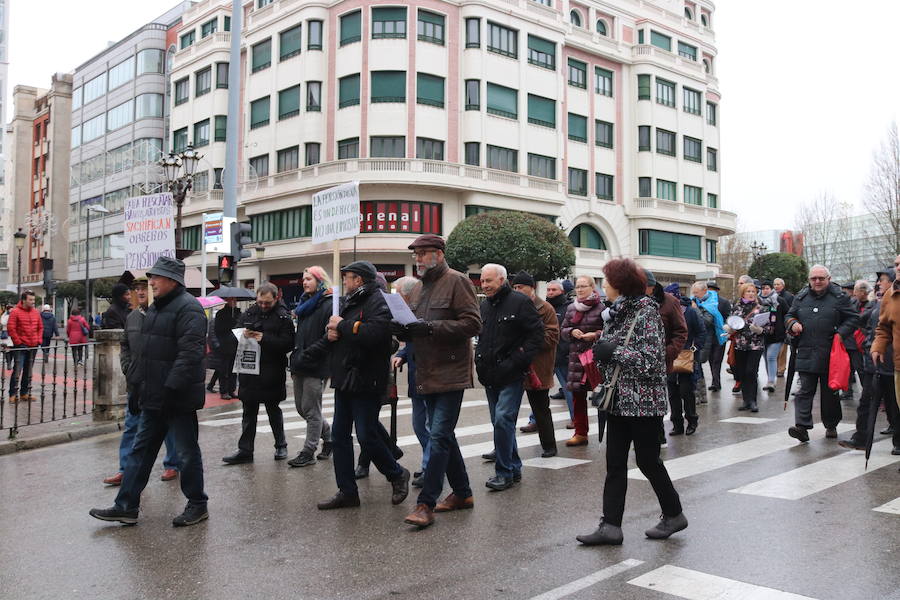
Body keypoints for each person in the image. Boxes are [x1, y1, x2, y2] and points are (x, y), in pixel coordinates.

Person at [89, 256, 209, 527]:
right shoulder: (155, 310)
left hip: (177, 399)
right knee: (140, 452)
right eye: (151, 277)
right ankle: (126, 506)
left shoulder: (189, 309)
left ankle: (198, 504)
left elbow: (189, 356)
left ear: (173, 280)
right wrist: (137, 390)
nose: (151, 282)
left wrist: (168, 389)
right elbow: (145, 355)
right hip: (153, 398)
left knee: (187, 453)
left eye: (156, 277)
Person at [577, 258, 686, 546]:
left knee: (648, 462)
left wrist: (612, 351)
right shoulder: (618, 312)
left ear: (620, 285)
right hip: (617, 400)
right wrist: (602, 347)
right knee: (614, 464)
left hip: (643, 403)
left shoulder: (646, 312)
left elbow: (651, 362)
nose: (604, 288)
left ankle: (674, 514)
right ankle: (610, 526)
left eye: (607, 283)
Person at [304, 261, 410, 510]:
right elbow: (341, 334)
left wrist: (342, 325)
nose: (345, 282)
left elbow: (375, 335)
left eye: (348, 278)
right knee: (340, 437)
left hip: (367, 378)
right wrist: (331, 336)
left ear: (359, 280)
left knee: (366, 434)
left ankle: (396, 474)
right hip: (345, 378)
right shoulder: (348, 301)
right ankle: (347, 491)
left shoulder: (379, 301)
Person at [395, 235, 481, 528]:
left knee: (438, 435)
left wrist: (429, 328)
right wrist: (405, 331)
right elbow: (417, 328)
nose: (418, 259)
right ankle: (463, 493)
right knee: (444, 435)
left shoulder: (458, 281)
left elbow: (472, 323)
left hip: (451, 372)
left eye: (424, 253)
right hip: (425, 370)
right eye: (416, 254)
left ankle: (425, 503)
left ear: (440, 254)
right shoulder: (418, 287)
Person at [102, 275, 181, 486]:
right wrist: (129, 368)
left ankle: (172, 464)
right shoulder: (133, 317)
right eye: (136, 289)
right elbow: (125, 345)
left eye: (143, 288)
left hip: (159, 383)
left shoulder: (165, 314)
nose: (140, 292)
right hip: (136, 384)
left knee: (168, 426)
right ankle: (125, 469)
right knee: (131, 427)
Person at [474, 265, 542, 492]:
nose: (484, 285)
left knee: (503, 419)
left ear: (502, 279)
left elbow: (537, 335)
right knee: (500, 423)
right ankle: (513, 467)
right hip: (489, 373)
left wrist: (517, 360)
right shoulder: (484, 305)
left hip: (511, 374)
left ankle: (503, 472)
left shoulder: (520, 302)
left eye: (489, 281)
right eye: (482, 281)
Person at [222, 282, 295, 464]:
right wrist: (241, 334)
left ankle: (281, 445)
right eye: (260, 302)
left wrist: (265, 338)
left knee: (273, 410)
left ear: (276, 298)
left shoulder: (283, 317)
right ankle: (245, 450)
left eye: (267, 303)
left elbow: (288, 343)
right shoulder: (249, 313)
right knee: (248, 412)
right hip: (249, 371)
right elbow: (234, 334)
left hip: (272, 371)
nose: (263, 305)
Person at [784, 265, 859, 442]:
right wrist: (792, 323)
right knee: (804, 391)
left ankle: (831, 424)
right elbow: (788, 315)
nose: (817, 281)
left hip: (830, 353)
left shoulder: (839, 297)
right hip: (806, 350)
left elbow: (854, 318)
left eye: (821, 278)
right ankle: (801, 427)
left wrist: (841, 334)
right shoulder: (801, 297)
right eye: (813, 278)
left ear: (829, 279)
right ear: (809, 280)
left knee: (830, 394)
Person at [841, 266, 899, 451]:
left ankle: (898, 440)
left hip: (892, 362)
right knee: (866, 402)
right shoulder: (879, 304)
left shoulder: (891, 301)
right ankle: (861, 438)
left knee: (894, 404)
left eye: (882, 279)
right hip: (874, 362)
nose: (878, 283)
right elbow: (866, 324)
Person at [287, 266, 334, 467]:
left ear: (320, 280)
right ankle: (329, 437)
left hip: (317, 364)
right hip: (299, 363)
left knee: (312, 410)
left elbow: (329, 336)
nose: (305, 282)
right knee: (301, 408)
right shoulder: (305, 305)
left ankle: (308, 451)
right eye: (303, 279)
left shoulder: (329, 303)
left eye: (309, 279)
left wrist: (310, 352)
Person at [511, 271, 559, 457]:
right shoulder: (512, 306)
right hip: (514, 365)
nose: (517, 290)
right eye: (514, 287)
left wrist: (526, 342)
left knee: (540, 409)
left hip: (537, 367)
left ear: (531, 288)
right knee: (507, 413)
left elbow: (552, 338)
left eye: (520, 287)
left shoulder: (545, 308)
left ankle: (549, 445)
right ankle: (502, 448)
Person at [390, 275, 428, 487]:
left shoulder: (422, 311)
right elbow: (411, 344)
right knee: (419, 425)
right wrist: (403, 354)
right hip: (416, 376)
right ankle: (428, 463)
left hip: (429, 376)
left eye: (399, 294)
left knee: (432, 427)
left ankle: (431, 467)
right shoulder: (408, 313)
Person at [560, 275, 605, 446]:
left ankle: (606, 431)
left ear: (592, 288)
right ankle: (580, 433)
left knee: (602, 396)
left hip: (595, 358)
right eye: (577, 287)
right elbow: (562, 329)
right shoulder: (572, 308)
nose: (579, 290)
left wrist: (595, 335)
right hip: (576, 358)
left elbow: (609, 331)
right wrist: (571, 332)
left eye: (583, 286)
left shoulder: (601, 307)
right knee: (577, 397)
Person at [664, 284, 705, 434]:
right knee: (672, 392)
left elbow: (701, 333)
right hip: (669, 357)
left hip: (686, 358)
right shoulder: (664, 312)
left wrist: (694, 349)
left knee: (686, 392)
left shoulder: (691, 312)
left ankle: (692, 421)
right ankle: (677, 424)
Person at [725, 283, 771, 412]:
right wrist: (729, 328)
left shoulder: (761, 308)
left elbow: (769, 328)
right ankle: (746, 400)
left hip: (755, 345)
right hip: (740, 345)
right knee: (742, 373)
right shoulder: (736, 307)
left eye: (753, 291)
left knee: (751, 372)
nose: (751, 293)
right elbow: (731, 321)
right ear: (742, 293)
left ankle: (753, 401)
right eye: (748, 291)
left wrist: (760, 330)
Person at [872, 255, 900, 450]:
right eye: (897, 264)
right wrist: (878, 346)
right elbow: (883, 328)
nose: (898, 267)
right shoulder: (891, 294)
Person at [545, 281, 574, 424]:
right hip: (545, 356)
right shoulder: (543, 307)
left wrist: (565, 351)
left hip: (563, 356)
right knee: (539, 391)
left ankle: (575, 419)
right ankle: (535, 420)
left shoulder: (569, 308)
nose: (550, 292)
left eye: (553, 290)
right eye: (548, 290)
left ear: (562, 292)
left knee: (569, 390)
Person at [842, 280, 876, 401]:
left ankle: (870, 394)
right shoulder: (854, 302)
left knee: (861, 369)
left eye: (856, 290)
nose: (854, 293)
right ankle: (847, 392)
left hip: (863, 341)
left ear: (863, 291)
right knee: (848, 368)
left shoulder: (872, 304)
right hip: (851, 341)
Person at [8, 291, 43, 402]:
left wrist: (39, 340)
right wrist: (18, 343)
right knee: (17, 370)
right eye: (30, 300)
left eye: (33, 300)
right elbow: (11, 328)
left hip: (33, 346)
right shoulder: (15, 312)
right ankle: (12, 394)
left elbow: (40, 327)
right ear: (24, 300)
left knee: (28, 371)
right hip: (21, 345)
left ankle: (24, 393)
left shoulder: (36, 312)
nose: (33, 302)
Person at [759, 280, 790, 393]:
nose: (765, 290)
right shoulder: (758, 301)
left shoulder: (779, 300)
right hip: (762, 335)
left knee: (771, 357)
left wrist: (786, 328)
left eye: (767, 288)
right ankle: (770, 379)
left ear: (771, 289)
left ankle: (771, 382)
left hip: (777, 335)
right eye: (763, 288)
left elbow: (788, 314)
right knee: (766, 358)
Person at [705, 280, 731, 392]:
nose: (710, 291)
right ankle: (715, 381)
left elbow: (727, 317)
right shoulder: (704, 302)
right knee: (711, 359)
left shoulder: (724, 302)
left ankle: (716, 382)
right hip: (708, 335)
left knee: (717, 359)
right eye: (708, 289)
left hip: (720, 334)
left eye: (712, 289)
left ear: (716, 290)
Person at [213, 297, 241, 399]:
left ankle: (231, 390)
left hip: (235, 344)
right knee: (223, 370)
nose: (234, 302)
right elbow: (218, 329)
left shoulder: (238, 313)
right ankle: (224, 391)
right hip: (224, 345)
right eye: (232, 300)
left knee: (233, 370)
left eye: (235, 300)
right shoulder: (221, 314)